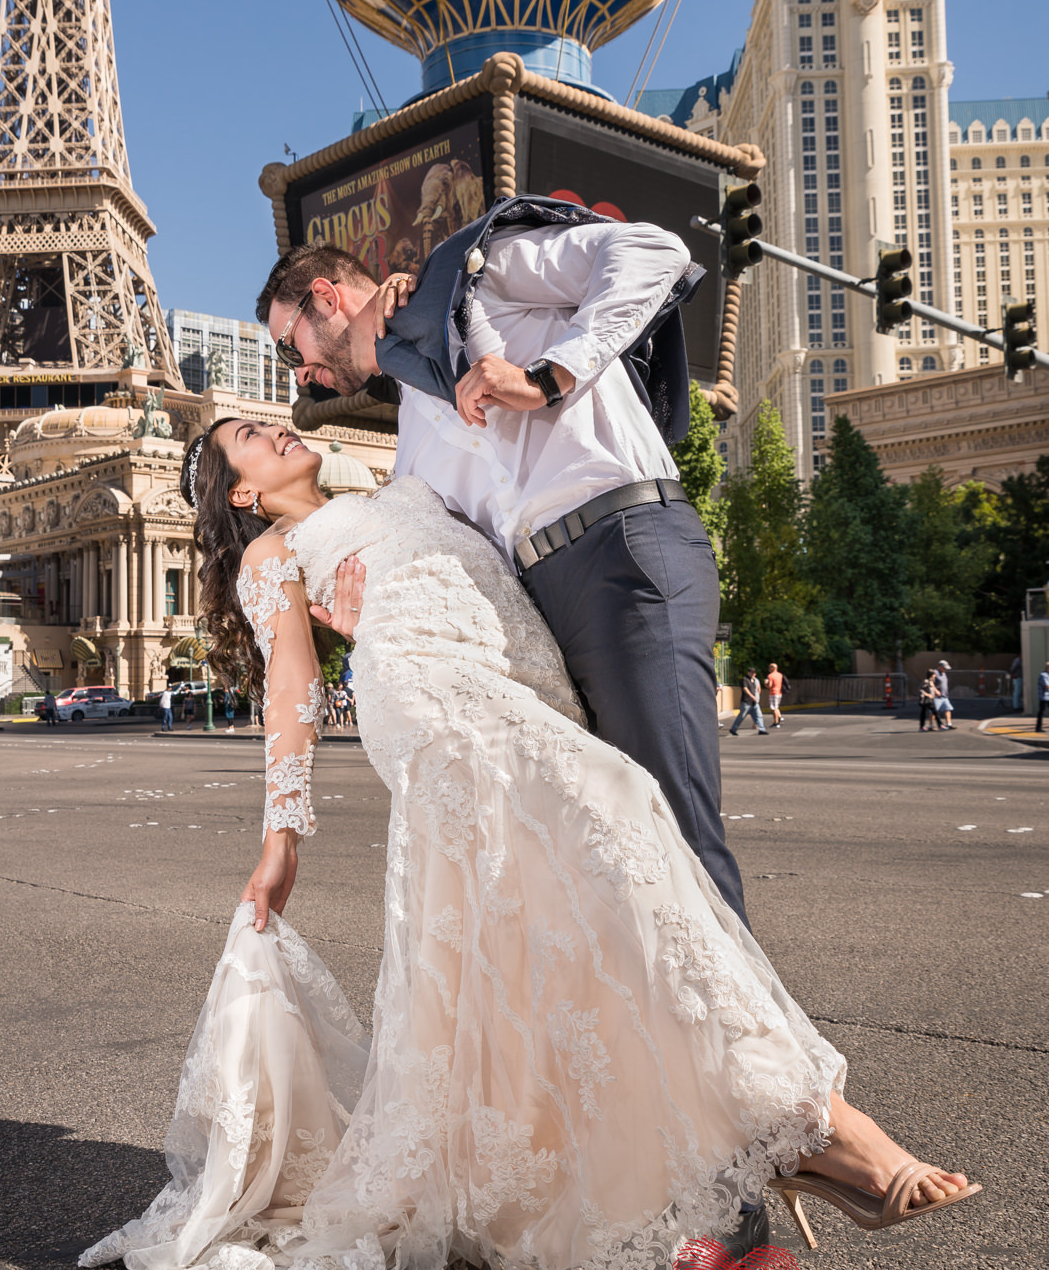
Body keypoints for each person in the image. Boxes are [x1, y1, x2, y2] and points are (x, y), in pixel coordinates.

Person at [78, 421, 978, 1270]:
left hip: (523, 684)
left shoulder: (392, 488)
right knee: (620, 814)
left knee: (546, 951)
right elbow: (291, 690)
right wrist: (284, 837)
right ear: (239, 493)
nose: (276, 426)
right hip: (433, 699)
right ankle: (812, 1127)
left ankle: (698, 1151)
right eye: (248, 439)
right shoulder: (273, 551)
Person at [255, 214, 750, 927]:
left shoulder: (477, 277)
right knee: (612, 843)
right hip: (539, 606)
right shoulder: (417, 418)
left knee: (676, 833)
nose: (299, 374)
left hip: (620, 548)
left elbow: (654, 249)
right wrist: (367, 612)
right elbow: (437, 544)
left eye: (286, 347)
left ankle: (744, 1039)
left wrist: (547, 375)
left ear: (327, 299)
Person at [730, 667, 766, 737]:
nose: (753, 674)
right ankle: (733, 729)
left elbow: (758, 689)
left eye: (754, 673)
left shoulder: (755, 680)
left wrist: (756, 697)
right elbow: (745, 688)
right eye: (751, 672)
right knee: (741, 716)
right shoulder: (745, 679)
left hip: (754, 702)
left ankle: (761, 729)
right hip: (746, 701)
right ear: (748, 673)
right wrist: (752, 696)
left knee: (759, 715)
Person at [764, 662, 785, 729]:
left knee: (773, 708)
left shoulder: (770, 676)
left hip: (773, 693)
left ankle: (776, 722)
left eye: (770, 667)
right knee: (776, 706)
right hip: (779, 693)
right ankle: (779, 718)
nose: (769, 669)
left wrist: (765, 683)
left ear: (772, 668)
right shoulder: (780, 675)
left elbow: (770, 685)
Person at [1036, 662, 1049, 735]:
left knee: (1041, 712)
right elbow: (1046, 686)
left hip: (1048, 696)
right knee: (1041, 712)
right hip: (1044, 697)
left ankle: (1038, 728)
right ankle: (1038, 728)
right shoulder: (1043, 675)